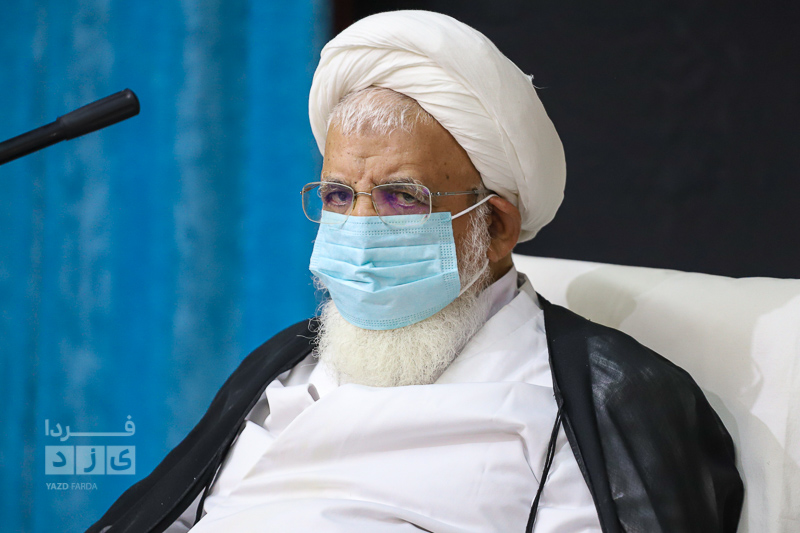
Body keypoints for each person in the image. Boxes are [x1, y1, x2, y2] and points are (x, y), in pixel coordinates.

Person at [88, 10, 743, 533]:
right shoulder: (285, 362)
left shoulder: (598, 396)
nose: (359, 225)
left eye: (401, 196)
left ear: (496, 228)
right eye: (338, 195)